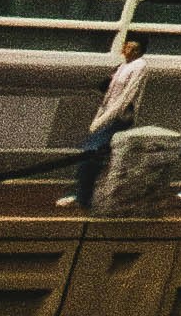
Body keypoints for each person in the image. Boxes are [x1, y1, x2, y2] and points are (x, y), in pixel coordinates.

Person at [65, 38, 153, 210]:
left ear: (141, 52)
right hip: (106, 116)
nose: (129, 51)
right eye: (127, 46)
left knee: (90, 153)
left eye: (134, 48)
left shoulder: (140, 66)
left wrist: (101, 121)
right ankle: (84, 194)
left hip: (119, 119)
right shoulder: (122, 66)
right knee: (92, 155)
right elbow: (107, 95)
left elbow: (125, 98)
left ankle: (85, 198)